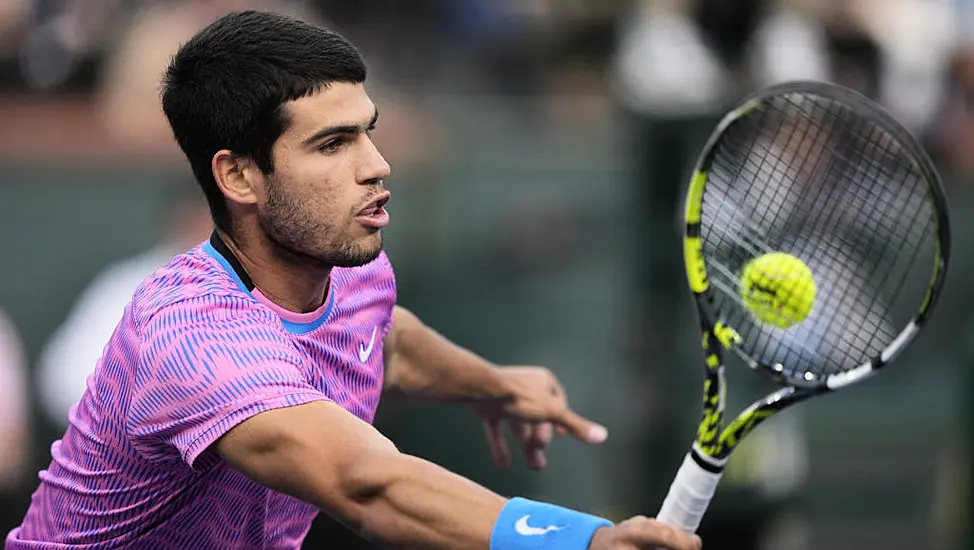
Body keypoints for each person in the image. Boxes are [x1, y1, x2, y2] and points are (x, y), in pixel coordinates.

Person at [7, 11, 701, 550]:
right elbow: (368, 485)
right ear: (239, 175)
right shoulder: (193, 341)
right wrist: (586, 538)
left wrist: (489, 381)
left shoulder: (349, 263)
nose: (377, 165)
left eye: (367, 132)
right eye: (332, 144)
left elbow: (382, 337)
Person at [36, 182, 211, 428]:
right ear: (178, 220)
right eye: (200, 216)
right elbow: (63, 381)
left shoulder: (262, 291)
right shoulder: (128, 285)